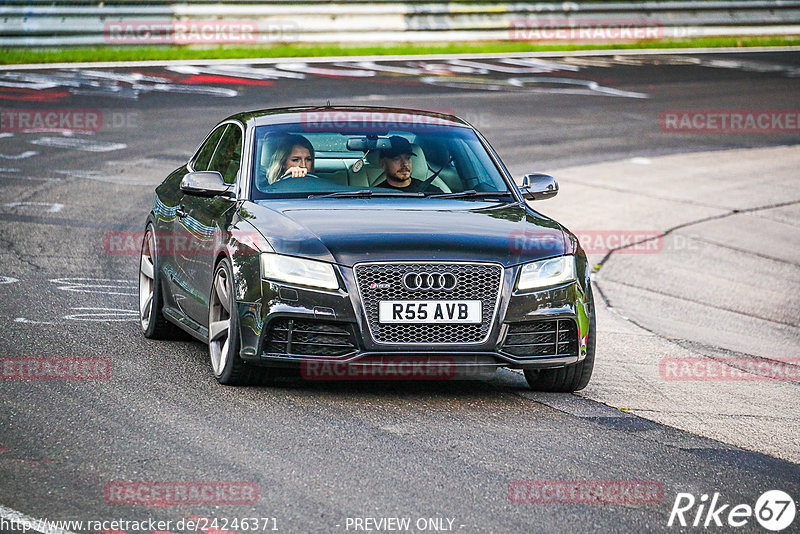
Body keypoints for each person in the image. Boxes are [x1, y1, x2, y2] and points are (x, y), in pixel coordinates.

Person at [374, 136, 443, 194]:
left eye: (408, 158)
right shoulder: (375, 195)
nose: (405, 163)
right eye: (397, 159)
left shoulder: (432, 193)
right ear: (382, 163)